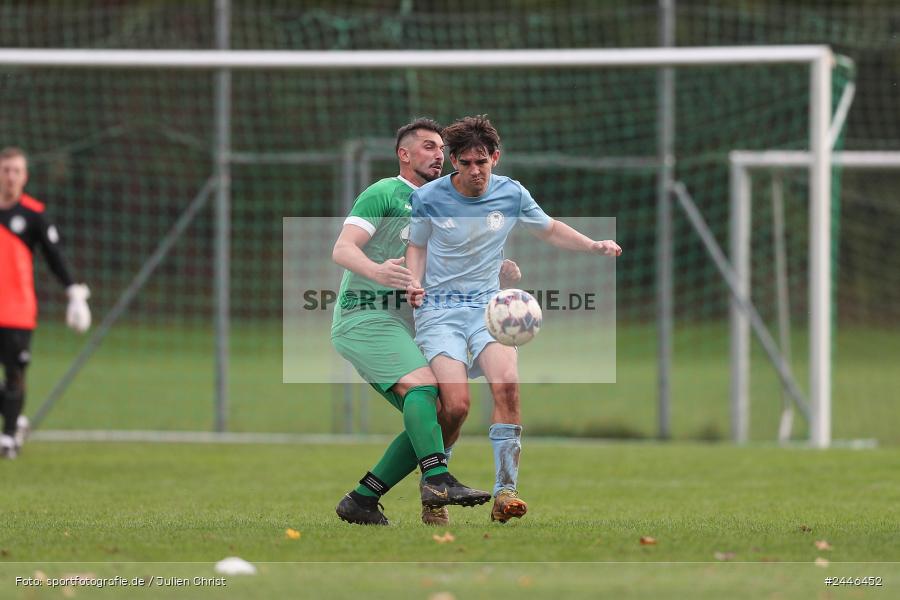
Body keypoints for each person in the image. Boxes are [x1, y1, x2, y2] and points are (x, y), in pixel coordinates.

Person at [406, 115, 621, 523]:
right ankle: (434, 489)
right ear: (454, 162)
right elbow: (417, 247)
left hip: (490, 308)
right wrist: (414, 285)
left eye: (482, 162)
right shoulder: (428, 198)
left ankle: (506, 492)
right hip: (439, 310)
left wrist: (593, 245)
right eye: (466, 163)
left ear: (495, 158)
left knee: (507, 387)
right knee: (454, 406)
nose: (475, 171)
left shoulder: (512, 194)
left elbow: (550, 229)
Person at [330, 118, 511, 526]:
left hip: (413, 322)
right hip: (366, 316)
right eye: (428, 146)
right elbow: (343, 249)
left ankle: (362, 499)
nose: (438, 154)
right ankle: (437, 478)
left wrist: (500, 268)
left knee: (450, 407)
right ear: (404, 154)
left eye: (440, 148)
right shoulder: (385, 193)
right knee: (425, 390)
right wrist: (379, 272)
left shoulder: (446, 199)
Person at [0, 147, 91, 459]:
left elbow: (56, 258)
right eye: (5, 170)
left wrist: (74, 294)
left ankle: (9, 436)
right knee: (11, 386)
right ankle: (14, 415)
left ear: (24, 176)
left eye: (15, 171)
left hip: (17, 311)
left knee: (14, 374)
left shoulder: (33, 214)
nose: (10, 177)